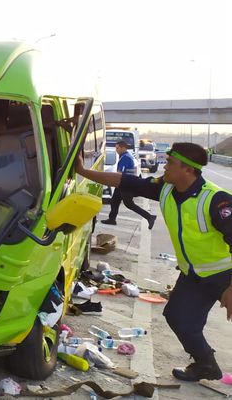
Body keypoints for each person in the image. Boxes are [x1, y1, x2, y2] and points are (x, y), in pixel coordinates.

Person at [76, 142, 232, 381]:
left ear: (188, 169)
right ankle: (206, 365)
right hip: (194, 275)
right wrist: (83, 172)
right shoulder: (165, 189)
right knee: (178, 317)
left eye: (170, 162)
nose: (164, 166)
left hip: (224, 274)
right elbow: (124, 181)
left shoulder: (216, 199)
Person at [102, 140, 157, 229]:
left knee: (129, 204)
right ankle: (112, 219)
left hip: (125, 184)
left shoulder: (125, 157)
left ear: (123, 148)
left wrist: (113, 180)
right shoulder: (125, 156)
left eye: (117, 148)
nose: (116, 150)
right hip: (123, 183)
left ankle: (149, 217)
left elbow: (120, 173)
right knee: (114, 201)